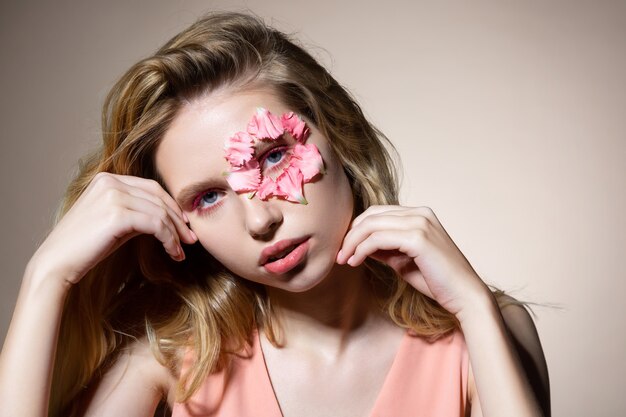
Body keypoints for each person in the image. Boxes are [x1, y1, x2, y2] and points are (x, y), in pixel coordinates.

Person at [0, 12, 550, 417]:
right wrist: (47, 278)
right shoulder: (169, 366)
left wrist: (475, 309)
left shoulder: (485, 332)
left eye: (273, 156)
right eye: (208, 197)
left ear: (337, 131)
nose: (260, 220)